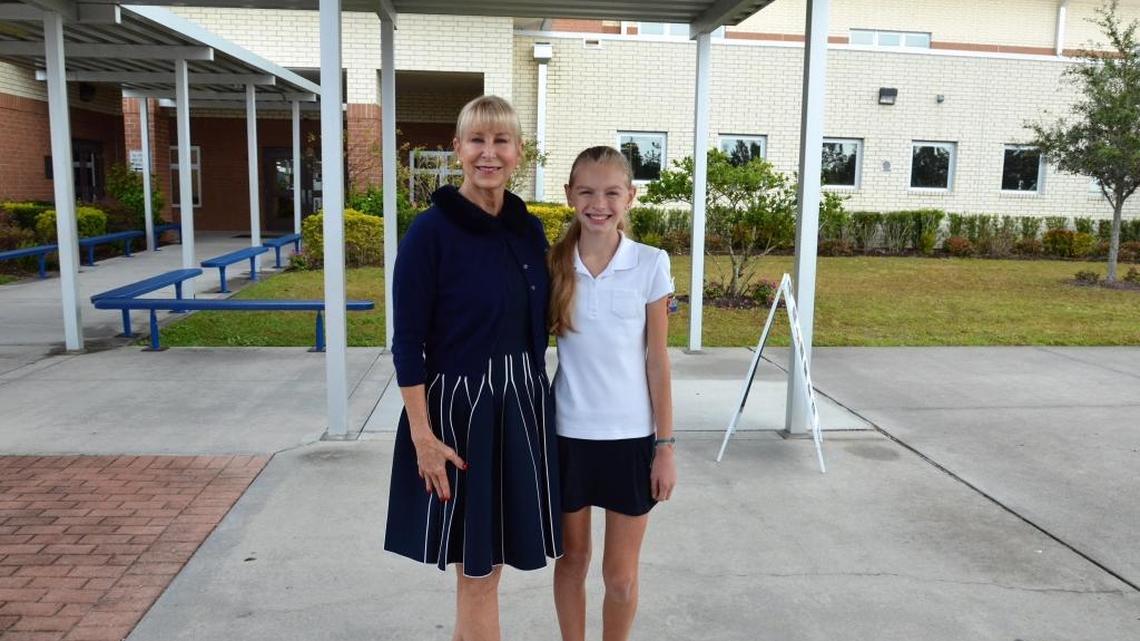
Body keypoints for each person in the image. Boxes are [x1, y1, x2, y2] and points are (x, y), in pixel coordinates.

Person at [384, 95, 562, 641]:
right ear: (457, 148)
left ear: (519, 152)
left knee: (489, 569)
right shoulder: (430, 233)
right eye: (477, 141)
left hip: (522, 409)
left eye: (501, 140)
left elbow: (548, 316)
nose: (489, 153)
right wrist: (423, 437)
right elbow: (407, 342)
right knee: (478, 573)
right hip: (460, 417)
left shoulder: (528, 230)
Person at [548, 146, 677, 641]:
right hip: (568, 435)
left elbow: (657, 360)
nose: (598, 203)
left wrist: (665, 448)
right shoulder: (553, 266)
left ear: (630, 198)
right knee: (572, 562)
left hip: (631, 438)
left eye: (610, 193)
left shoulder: (650, 263)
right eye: (586, 191)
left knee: (619, 577)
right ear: (569, 196)